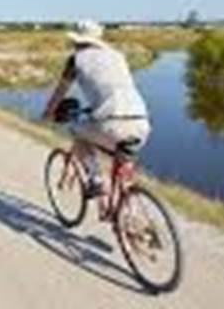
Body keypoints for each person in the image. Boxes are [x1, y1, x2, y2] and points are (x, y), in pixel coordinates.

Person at [43, 20, 150, 197]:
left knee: (78, 133)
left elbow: (59, 92)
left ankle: (96, 179)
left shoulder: (76, 59)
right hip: (141, 121)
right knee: (123, 152)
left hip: (110, 123)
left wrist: (48, 113)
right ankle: (128, 206)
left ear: (77, 41)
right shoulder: (118, 56)